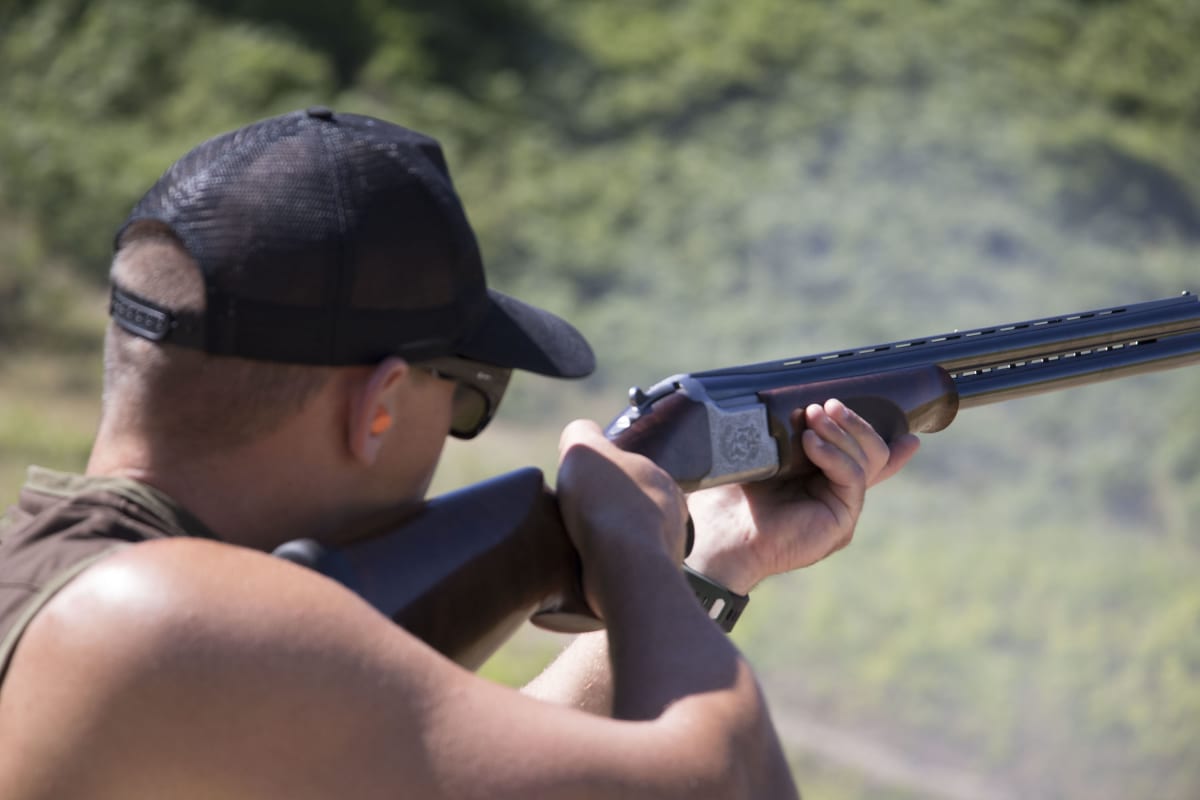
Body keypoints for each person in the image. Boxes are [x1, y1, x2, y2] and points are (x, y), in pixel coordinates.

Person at [0, 108, 918, 799]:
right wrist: (630, 546)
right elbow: (723, 777)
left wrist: (712, 559)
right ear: (380, 405)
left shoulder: (77, 594)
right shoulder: (154, 620)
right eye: (471, 397)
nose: (458, 430)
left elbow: (486, 763)